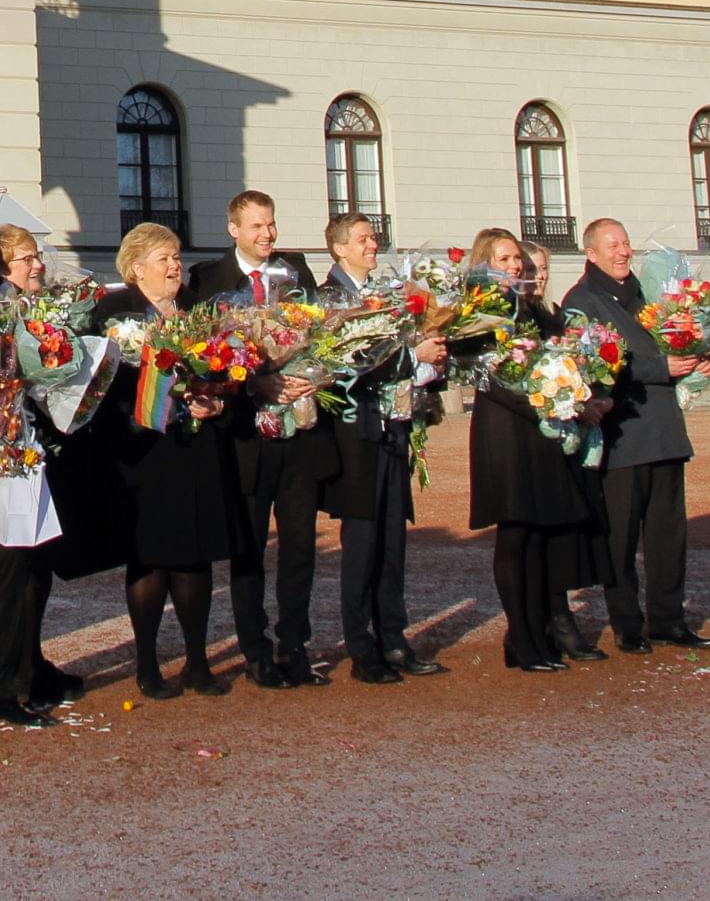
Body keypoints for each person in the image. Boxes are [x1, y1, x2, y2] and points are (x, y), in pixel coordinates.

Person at [189, 190, 332, 690]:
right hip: (246, 439)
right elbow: (201, 358)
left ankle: (296, 644)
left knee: (299, 546)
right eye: (256, 227)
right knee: (247, 547)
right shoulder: (208, 281)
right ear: (233, 229)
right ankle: (255, 648)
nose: (267, 235)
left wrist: (314, 374)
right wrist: (252, 382)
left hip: (298, 433)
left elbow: (324, 338)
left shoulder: (297, 273)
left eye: (270, 225)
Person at [93, 222, 238, 698]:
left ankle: (197, 662)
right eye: (164, 259)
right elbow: (101, 386)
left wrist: (216, 401)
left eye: (176, 257)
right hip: (142, 452)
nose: (175, 265)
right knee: (149, 558)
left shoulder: (201, 309)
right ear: (137, 268)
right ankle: (148, 664)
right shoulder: (114, 312)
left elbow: (228, 373)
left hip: (194, 449)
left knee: (194, 557)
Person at [563, 217, 710, 652]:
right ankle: (628, 624)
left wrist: (695, 360)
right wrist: (661, 368)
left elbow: (675, 340)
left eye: (626, 243)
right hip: (621, 435)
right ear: (590, 253)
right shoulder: (583, 300)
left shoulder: (650, 293)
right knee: (621, 538)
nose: (623, 252)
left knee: (669, 535)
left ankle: (669, 619)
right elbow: (592, 363)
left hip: (665, 431)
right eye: (612, 245)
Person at [319, 212, 450, 683]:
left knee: (393, 542)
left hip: (393, 429)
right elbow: (349, 363)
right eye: (363, 239)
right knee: (363, 545)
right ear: (339, 249)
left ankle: (394, 639)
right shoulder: (329, 297)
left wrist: (430, 361)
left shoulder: (388, 295)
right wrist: (415, 356)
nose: (372, 245)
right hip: (357, 437)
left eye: (373, 238)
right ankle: (362, 648)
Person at [468, 228, 604, 671]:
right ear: (484, 263)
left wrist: (581, 390)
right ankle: (521, 639)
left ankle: (538, 633)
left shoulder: (535, 311)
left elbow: (565, 360)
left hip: (543, 433)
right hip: (506, 434)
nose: (514, 266)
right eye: (504, 259)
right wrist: (550, 402)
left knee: (542, 536)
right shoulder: (476, 312)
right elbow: (488, 378)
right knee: (516, 534)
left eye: (516, 260)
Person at [0, 224, 88, 709]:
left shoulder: (41, 309)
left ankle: (31, 663)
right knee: (12, 567)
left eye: (37, 255)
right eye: (26, 258)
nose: (37, 264)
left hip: (41, 448)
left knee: (38, 563)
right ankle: (9, 677)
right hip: (2, 453)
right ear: (1, 267)